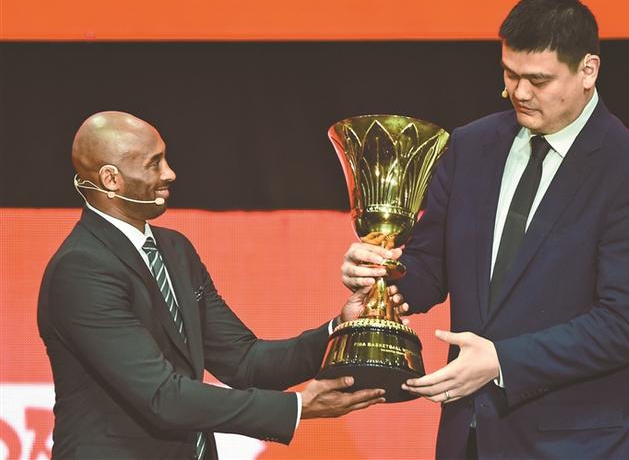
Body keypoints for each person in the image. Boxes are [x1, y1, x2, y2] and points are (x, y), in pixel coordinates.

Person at [341, 0, 629, 459]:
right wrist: (382, 280)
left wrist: (502, 361)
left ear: (588, 70)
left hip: (584, 445)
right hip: (473, 438)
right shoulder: (470, 146)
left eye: (538, 80)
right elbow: (430, 265)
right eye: (510, 74)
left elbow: (623, 325)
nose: (519, 93)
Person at [37, 110, 407, 460]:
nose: (170, 173)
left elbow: (245, 361)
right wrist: (296, 408)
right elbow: (163, 396)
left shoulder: (175, 249)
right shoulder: (81, 269)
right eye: (154, 163)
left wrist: (341, 328)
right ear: (111, 179)